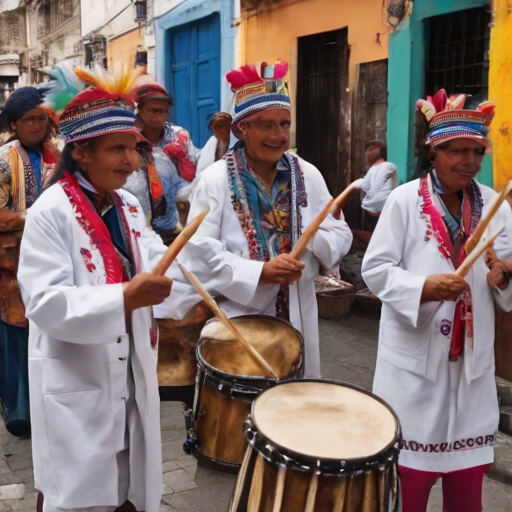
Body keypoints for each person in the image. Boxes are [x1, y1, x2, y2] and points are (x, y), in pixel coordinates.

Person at [17, 71, 174, 512]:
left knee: (128, 488)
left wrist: (191, 289)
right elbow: (44, 303)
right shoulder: (51, 211)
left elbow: (157, 260)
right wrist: (123, 297)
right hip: (77, 377)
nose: (131, 160)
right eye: (117, 149)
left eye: (135, 147)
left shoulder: (127, 204)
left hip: (129, 370)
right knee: (78, 497)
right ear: (81, 152)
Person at [362, 90, 512, 512]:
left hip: (471, 368)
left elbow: (506, 267)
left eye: (476, 152)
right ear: (434, 152)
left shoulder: (497, 207)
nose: (469, 162)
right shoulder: (404, 200)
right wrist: (426, 288)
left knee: (466, 482)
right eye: (457, 152)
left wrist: (503, 275)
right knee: (407, 479)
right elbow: (376, 270)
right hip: (414, 367)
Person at [179, 61, 353, 377]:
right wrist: (259, 272)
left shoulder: (307, 173)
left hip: (299, 311)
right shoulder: (216, 179)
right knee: (242, 412)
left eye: (284, 124)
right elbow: (197, 254)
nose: (278, 135)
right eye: (265, 125)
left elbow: (339, 231)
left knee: (292, 407)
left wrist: (309, 236)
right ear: (240, 129)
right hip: (238, 318)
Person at [0, 86, 59, 437]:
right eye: (29, 119)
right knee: (16, 331)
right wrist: (33, 217)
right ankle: (18, 408)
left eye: (42, 118)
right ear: (14, 123)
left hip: (52, 258)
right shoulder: (4, 159)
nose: (37, 125)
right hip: (11, 264)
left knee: (50, 325)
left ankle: (50, 401)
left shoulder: (61, 153)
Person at [123, 83, 198, 242]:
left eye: (163, 111)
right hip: (136, 225)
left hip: (173, 225)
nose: (158, 116)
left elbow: (191, 174)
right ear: (140, 111)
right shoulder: (127, 138)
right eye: (153, 111)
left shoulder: (178, 138)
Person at [360, 139, 397, 229]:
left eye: (372, 149)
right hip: (376, 209)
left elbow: (376, 187)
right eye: (368, 150)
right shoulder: (373, 169)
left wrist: (367, 199)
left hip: (382, 210)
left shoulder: (387, 166)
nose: (368, 153)